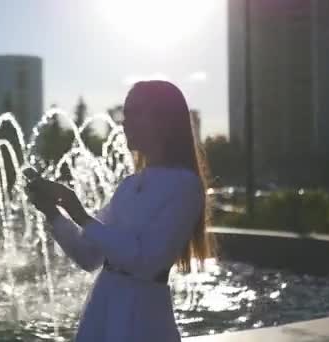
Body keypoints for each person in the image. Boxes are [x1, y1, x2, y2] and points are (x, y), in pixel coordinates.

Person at [26, 80, 214, 342]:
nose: (126, 122)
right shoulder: (129, 185)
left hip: (143, 320)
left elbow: (147, 262)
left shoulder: (185, 186)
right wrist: (54, 214)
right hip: (103, 311)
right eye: (126, 114)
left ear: (164, 120)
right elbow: (88, 256)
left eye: (137, 112)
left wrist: (79, 214)